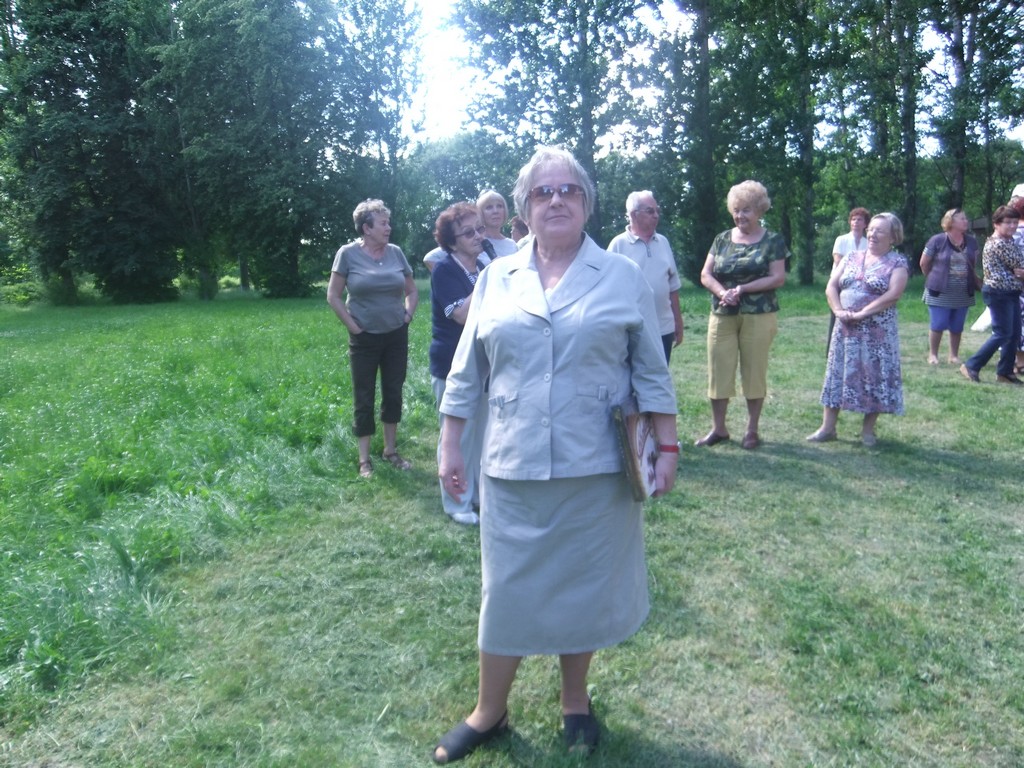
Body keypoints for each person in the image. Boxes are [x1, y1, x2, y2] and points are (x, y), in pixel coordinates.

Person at [431, 147, 679, 764]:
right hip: (511, 461)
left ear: (587, 202)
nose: (557, 200)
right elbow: (466, 370)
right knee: (506, 590)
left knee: (583, 586)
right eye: (543, 192)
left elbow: (651, 370)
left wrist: (668, 443)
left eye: (569, 189)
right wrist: (450, 442)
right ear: (525, 209)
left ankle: (574, 700)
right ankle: (489, 710)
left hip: (597, 464)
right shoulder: (496, 277)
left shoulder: (619, 275)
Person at [327, 199, 418, 478]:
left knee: (393, 392)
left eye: (388, 223)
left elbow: (412, 290)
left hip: (395, 335)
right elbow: (333, 296)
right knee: (364, 396)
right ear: (366, 228)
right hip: (364, 338)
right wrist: (354, 328)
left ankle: (390, 451)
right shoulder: (347, 254)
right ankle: (364, 459)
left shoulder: (396, 253)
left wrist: (407, 316)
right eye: (383, 223)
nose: (388, 228)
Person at [696, 180, 788, 450]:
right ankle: (719, 429)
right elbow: (705, 274)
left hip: (759, 314)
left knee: (754, 371)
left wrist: (743, 289)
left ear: (760, 210)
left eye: (746, 210)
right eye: (736, 210)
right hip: (722, 313)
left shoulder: (773, 240)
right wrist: (722, 292)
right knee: (718, 371)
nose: (740, 216)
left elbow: (778, 277)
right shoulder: (722, 239)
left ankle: (751, 430)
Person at [807, 213, 909, 446]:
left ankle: (868, 432)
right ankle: (827, 428)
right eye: (871, 229)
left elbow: (893, 295)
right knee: (836, 374)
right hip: (845, 329)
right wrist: (838, 310)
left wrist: (863, 313)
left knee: (874, 376)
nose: (872, 234)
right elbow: (831, 286)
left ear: (893, 237)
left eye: (879, 231)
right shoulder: (851, 257)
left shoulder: (897, 262)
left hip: (877, 333)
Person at [429, 203, 489, 525]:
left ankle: (476, 494)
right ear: (452, 243)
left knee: (480, 437)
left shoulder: (481, 266)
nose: (478, 236)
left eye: (480, 229)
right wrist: (488, 279)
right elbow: (462, 315)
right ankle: (456, 504)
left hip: (482, 365)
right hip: (451, 365)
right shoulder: (445, 271)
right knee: (456, 438)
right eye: (469, 233)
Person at [607, 190, 685, 362]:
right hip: (631, 329)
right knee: (631, 375)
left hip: (664, 328)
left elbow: (672, 286)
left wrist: (678, 321)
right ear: (634, 214)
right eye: (650, 211)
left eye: (657, 211)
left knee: (660, 375)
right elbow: (607, 290)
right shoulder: (618, 245)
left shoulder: (663, 242)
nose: (656, 215)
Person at [959, 205, 1024, 385]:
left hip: (1011, 292)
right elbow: (1019, 264)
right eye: (1008, 222)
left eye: (1015, 222)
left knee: (1014, 334)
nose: (1012, 226)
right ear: (996, 224)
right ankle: (971, 365)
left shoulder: (1009, 241)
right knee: (1003, 333)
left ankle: (1005, 373)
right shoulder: (999, 243)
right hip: (999, 292)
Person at [920, 208, 981, 365]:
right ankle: (933, 355)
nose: (966, 221)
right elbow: (924, 263)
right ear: (951, 222)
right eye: (962, 218)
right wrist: (934, 277)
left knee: (957, 326)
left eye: (966, 218)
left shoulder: (972, 241)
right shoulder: (937, 240)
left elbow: (973, 263)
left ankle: (953, 356)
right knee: (938, 324)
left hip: (963, 291)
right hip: (939, 291)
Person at [827, 208, 870, 355]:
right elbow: (838, 261)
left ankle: (856, 350)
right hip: (840, 283)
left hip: (860, 285)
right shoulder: (841, 240)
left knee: (858, 317)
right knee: (837, 317)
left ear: (865, 224)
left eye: (859, 220)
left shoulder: (867, 243)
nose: (856, 222)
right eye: (853, 219)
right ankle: (832, 351)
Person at [477, 189, 520, 258]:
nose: (495, 211)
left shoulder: (512, 245)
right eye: (489, 207)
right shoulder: (476, 244)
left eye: (499, 206)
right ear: (480, 213)